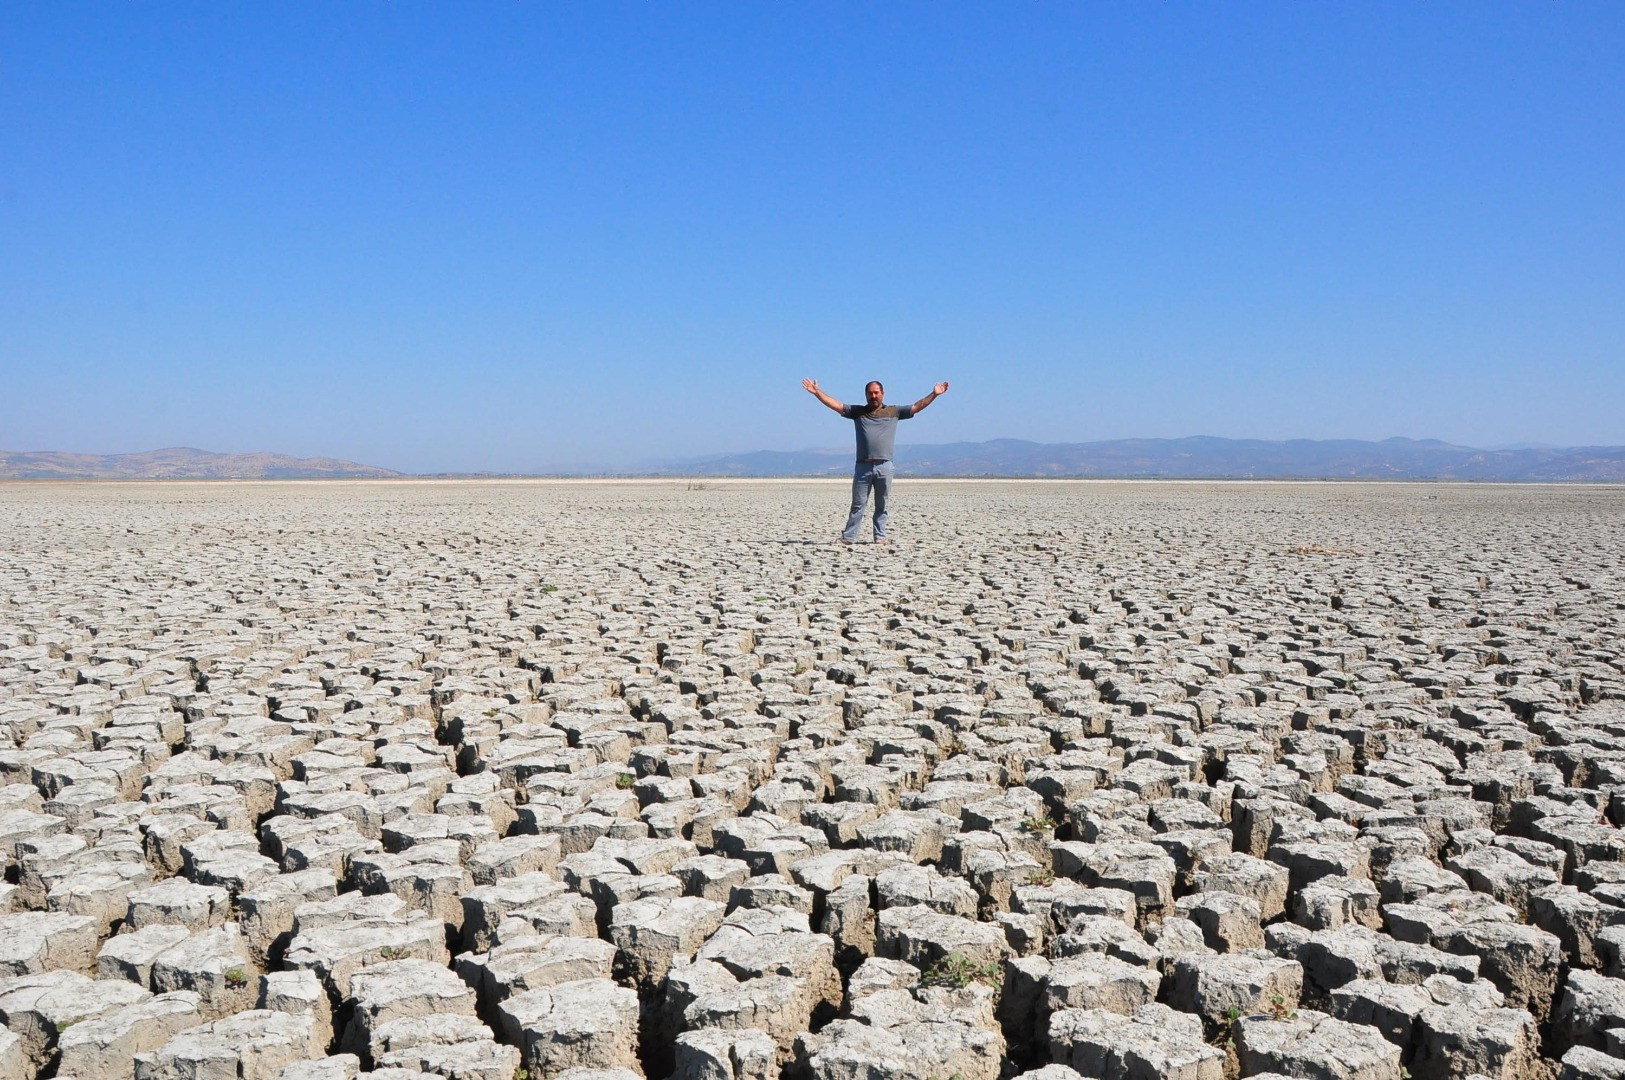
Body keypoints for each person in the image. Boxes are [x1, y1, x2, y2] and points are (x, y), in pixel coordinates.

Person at [802, 377, 949, 544]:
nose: (873, 396)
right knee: (858, 505)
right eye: (870, 393)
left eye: (876, 393)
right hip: (863, 466)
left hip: (885, 466)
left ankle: (880, 537)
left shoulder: (894, 412)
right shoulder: (858, 412)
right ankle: (849, 537)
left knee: (882, 505)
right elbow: (836, 405)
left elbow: (916, 407)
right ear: (865, 395)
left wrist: (934, 394)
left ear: (883, 394)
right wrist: (817, 393)